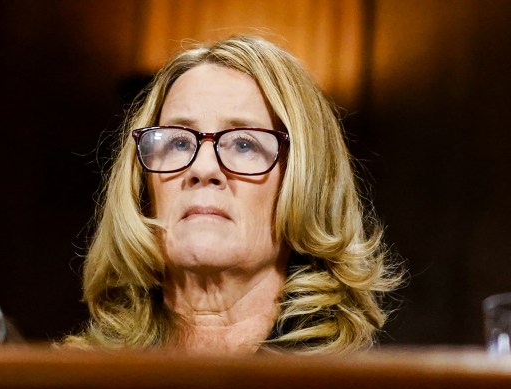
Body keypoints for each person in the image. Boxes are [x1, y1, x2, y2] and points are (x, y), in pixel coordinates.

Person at [59, 34, 405, 356]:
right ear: (142, 186)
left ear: (304, 181)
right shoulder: (76, 381)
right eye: (178, 142)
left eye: (244, 144)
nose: (204, 168)